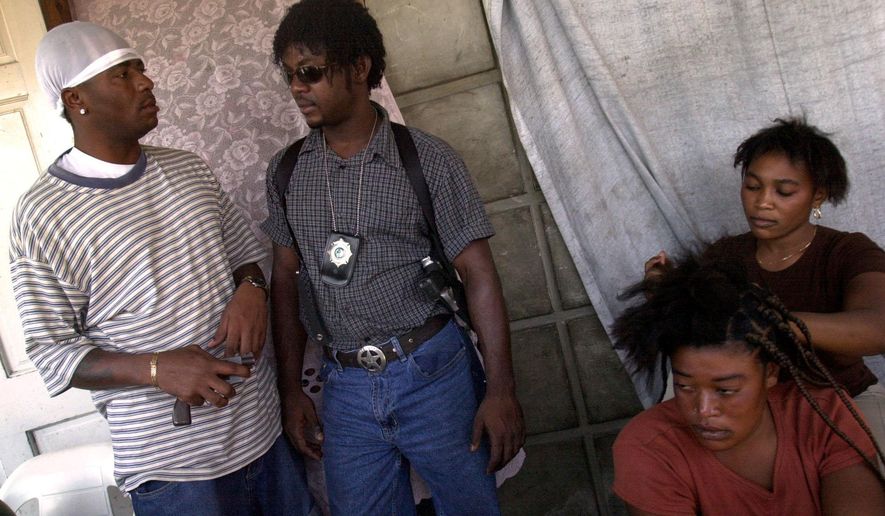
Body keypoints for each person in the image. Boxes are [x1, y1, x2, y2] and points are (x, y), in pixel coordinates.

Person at [11, 22, 315, 515]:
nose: (146, 82)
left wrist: (252, 289)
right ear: (76, 99)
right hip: (175, 473)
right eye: (123, 75)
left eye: (141, 69)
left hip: (263, 435)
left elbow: (244, 257)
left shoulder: (189, 169)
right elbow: (52, 352)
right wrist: (157, 368)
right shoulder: (43, 214)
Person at [261, 1, 524, 514]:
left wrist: (501, 390)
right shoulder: (287, 171)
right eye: (291, 75)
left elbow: (478, 275)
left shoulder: (427, 159)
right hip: (345, 386)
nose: (298, 88)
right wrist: (291, 391)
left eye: (311, 73)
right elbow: (285, 283)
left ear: (359, 68)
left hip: (433, 372)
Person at [645, 117, 885, 446]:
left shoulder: (848, 251)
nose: (763, 202)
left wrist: (773, 322)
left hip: (846, 398)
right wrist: (664, 290)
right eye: (753, 186)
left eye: (784, 191)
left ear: (818, 196)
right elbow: (694, 336)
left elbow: (876, 329)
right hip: (752, 410)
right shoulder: (725, 255)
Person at [612, 255, 885, 515]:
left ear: (771, 373)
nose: (704, 410)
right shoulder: (648, 446)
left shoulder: (825, 416)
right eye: (685, 386)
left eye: (725, 390)